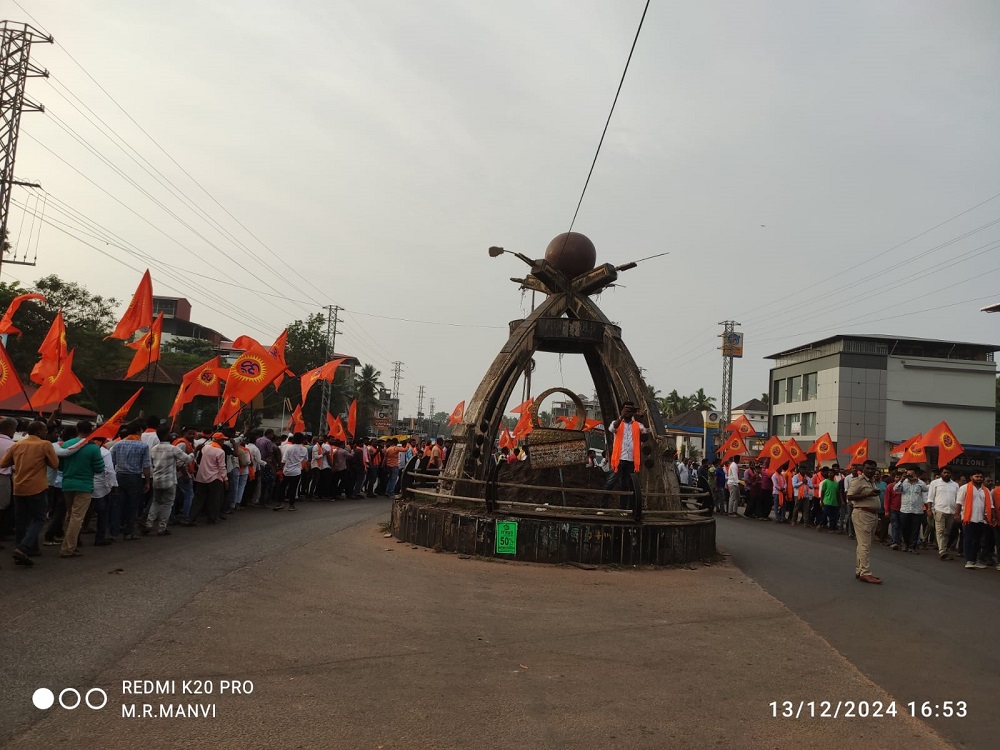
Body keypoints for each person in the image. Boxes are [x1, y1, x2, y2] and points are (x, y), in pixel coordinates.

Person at [2, 421, 59, 566]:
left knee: (21, 521)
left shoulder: (17, 444)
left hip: (19, 486)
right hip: (36, 487)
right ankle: (24, 547)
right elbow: (55, 464)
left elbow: (3, 463)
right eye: (45, 430)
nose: (46, 432)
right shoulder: (45, 445)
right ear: (39, 431)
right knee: (39, 518)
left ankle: (22, 549)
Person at [58, 421, 107, 558]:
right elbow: (99, 468)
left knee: (70, 515)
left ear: (77, 429)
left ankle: (69, 544)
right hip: (84, 485)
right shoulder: (93, 448)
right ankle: (68, 548)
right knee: (77, 517)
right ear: (91, 431)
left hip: (67, 483)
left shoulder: (67, 444)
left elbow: (60, 466)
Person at [144, 427, 193, 536]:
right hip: (170, 481)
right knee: (167, 504)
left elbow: (152, 463)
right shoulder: (173, 448)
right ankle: (162, 528)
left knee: (156, 502)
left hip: (157, 480)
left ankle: (149, 524)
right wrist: (195, 452)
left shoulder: (154, 449)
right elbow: (187, 459)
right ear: (166, 435)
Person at [603, 401, 648, 510]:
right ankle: (602, 507)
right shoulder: (617, 423)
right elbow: (612, 429)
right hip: (618, 460)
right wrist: (621, 416)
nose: (628, 412)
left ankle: (624, 509)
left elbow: (646, 436)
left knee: (627, 485)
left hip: (631, 460)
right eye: (626, 409)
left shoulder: (638, 425)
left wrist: (642, 417)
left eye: (630, 410)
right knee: (610, 482)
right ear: (622, 410)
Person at [110, 426, 152, 540]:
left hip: (119, 476)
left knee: (117, 505)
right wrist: (147, 481)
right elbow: (146, 465)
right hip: (134, 477)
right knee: (133, 506)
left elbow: (112, 462)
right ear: (138, 432)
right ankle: (128, 532)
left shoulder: (118, 444)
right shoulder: (143, 446)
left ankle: (114, 532)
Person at [847, 459, 882, 584]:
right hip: (863, 513)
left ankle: (860, 570)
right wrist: (868, 495)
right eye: (868, 468)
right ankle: (865, 573)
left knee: (863, 544)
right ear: (863, 468)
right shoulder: (858, 481)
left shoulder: (873, 482)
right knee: (865, 545)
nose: (871, 471)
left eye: (873, 469)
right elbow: (850, 496)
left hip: (872, 514)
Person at [186, 432, 229, 524]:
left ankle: (192, 518)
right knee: (214, 499)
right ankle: (212, 518)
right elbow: (222, 467)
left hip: (201, 476)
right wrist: (225, 479)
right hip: (215, 477)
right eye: (223, 440)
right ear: (219, 440)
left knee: (198, 498)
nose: (223, 441)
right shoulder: (220, 452)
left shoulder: (205, 448)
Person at [954, 471, 992, 570]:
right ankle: (969, 560)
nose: (979, 478)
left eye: (980, 477)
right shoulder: (965, 488)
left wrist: (990, 517)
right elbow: (959, 502)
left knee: (978, 541)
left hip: (981, 519)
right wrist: (957, 514)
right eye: (977, 476)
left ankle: (975, 560)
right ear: (971, 477)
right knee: (969, 539)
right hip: (968, 518)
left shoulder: (986, 490)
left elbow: (990, 506)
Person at [927, 466, 959, 561]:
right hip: (939, 510)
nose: (946, 474)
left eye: (948, 473)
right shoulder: (935, 483)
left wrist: (958, 512)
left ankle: (944, 549)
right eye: (944, 472)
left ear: (951, 474)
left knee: (947, 532)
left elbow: (958, 499)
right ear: (941, 473)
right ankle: (942, 551)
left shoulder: (955, 485)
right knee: (940, 531)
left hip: (951, 511)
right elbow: (930, 497)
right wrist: (929, 509)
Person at [894, 468, 928, 553]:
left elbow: (926, 489)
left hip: (917, 510)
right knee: (905, 528)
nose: (909, 476)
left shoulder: (920, 483)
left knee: (915, 529)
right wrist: (901, 480)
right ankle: (905, 544)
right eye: (908, 474)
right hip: (905, 510)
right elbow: (896, 489)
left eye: (911, 474)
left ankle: (912, 546)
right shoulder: (904, 482)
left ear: (915, 474)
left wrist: (917, 480)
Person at [275, 432, 308, 511]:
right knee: (293, 488)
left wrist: (280, 469)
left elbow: (284, 460)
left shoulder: (289, 448)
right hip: (297, 471)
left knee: (282, 487)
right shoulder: (304, 449)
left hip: (287, 471)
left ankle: (281, 503)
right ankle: (291, 505)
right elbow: (305, 460)